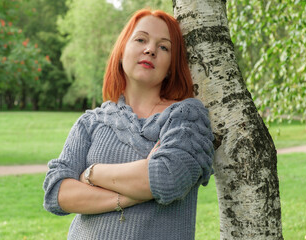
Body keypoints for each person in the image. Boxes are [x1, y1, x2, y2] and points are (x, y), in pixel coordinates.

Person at [43, 8, 214, 240]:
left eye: (163, 47)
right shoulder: (91, 122)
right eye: (141, 39)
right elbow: (57, 192)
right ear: (122, 51)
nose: (150, 49)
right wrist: (127, 197)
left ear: (171, 67)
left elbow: (165, 178)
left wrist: (91, 174)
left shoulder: (185, 116)